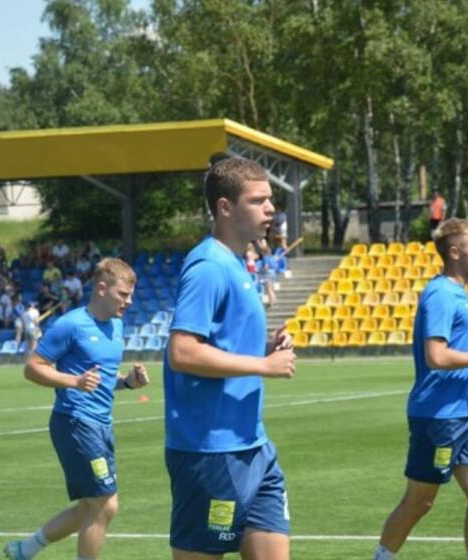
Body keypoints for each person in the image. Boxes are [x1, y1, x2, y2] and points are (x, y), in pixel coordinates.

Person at [164, 156, 296, 560]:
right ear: (225, 207)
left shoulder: (238, 264)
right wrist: (263, 366)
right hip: (210, 451)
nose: (270, 209)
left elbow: (222, 344)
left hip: (253, 445)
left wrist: (265, 349)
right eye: (258, 201)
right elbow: (182, 351)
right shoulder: (208, 266)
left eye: (270, 199)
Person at [372, 218, 468, 560]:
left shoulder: (457, 292)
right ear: (456, 252)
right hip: (438, 418)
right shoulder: (441, 295)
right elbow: (436, 356)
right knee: (420, 501)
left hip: (465, 414)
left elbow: (450, 352)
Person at [4, 257, 150, 560]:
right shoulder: (71, 324)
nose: (129, 301)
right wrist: (74, 381)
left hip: (101, 424)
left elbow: (100, 378)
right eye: (123, 294)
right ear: (101, 288)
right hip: (75, 422)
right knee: (104, 504)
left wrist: (127, 382)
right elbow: (32, 367)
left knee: (90, 507)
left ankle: (25, 549)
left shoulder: (116, 326)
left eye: (131, 295)